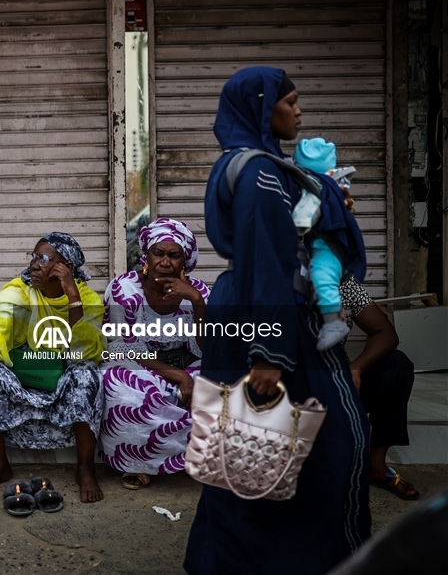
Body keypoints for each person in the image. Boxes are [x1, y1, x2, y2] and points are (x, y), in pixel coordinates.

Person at [184, 67, 371, 575]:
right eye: (291, 101)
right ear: (265, 108)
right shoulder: (260, 171)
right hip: (269, 320)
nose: (299, 110)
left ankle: (225, 560)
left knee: (243, 452)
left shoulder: (266, 168)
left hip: (253, 312)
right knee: (326, 450)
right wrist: (270, 355)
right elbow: (268, 260)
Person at [0, 232, 106, 503]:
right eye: (33, 256)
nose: (35, 264)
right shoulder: (18, 291)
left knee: (87, 374)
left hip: (65, 368)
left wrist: (72, 295)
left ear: (67, 268)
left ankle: (85, 467)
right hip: (26, 367)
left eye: (45, 259)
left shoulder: (87, 298)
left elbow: (87, 351)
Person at [100, 217, 210, 490]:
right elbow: (124, 347)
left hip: (189, 361)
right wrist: (179, 377)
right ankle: (136, 464)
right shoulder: (123, 290)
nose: (165, 262)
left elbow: (208, 348)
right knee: (121, 389)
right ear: (146, 255)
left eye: (175, 255)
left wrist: (195, 302)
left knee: (223, 384)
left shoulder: (201, 293)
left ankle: (199, 460)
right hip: (137, 363)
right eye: (158, 253)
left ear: (185, 261)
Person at [339, 277, 419, 500]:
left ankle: (376, 466)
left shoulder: (345, 285)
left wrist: (354, 369)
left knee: (397, 366)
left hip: (339, 390)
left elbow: (386, 333)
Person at [292, 136, 355, 349]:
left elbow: (303, 217)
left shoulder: (316, 190)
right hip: (326, 247)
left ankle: (333, 323)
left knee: (322, 275)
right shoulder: (334, 184)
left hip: (327, 247)